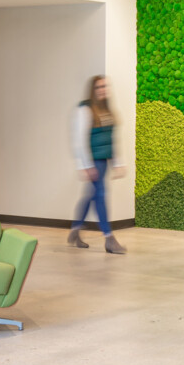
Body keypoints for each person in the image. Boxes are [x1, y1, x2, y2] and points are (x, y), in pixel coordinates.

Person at [70, 75, 126, 254]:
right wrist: (85, 166)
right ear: (92, 90)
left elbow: (111, 140)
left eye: (104, 87)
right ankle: (109, 238)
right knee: (100, 195)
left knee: (91, 196)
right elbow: (79, 140)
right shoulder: (85, 110)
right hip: (93, 161)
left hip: (104, 161)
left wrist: (118, 162)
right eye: (99, 87)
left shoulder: (107, 110)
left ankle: (75, 230)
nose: (102, 90)